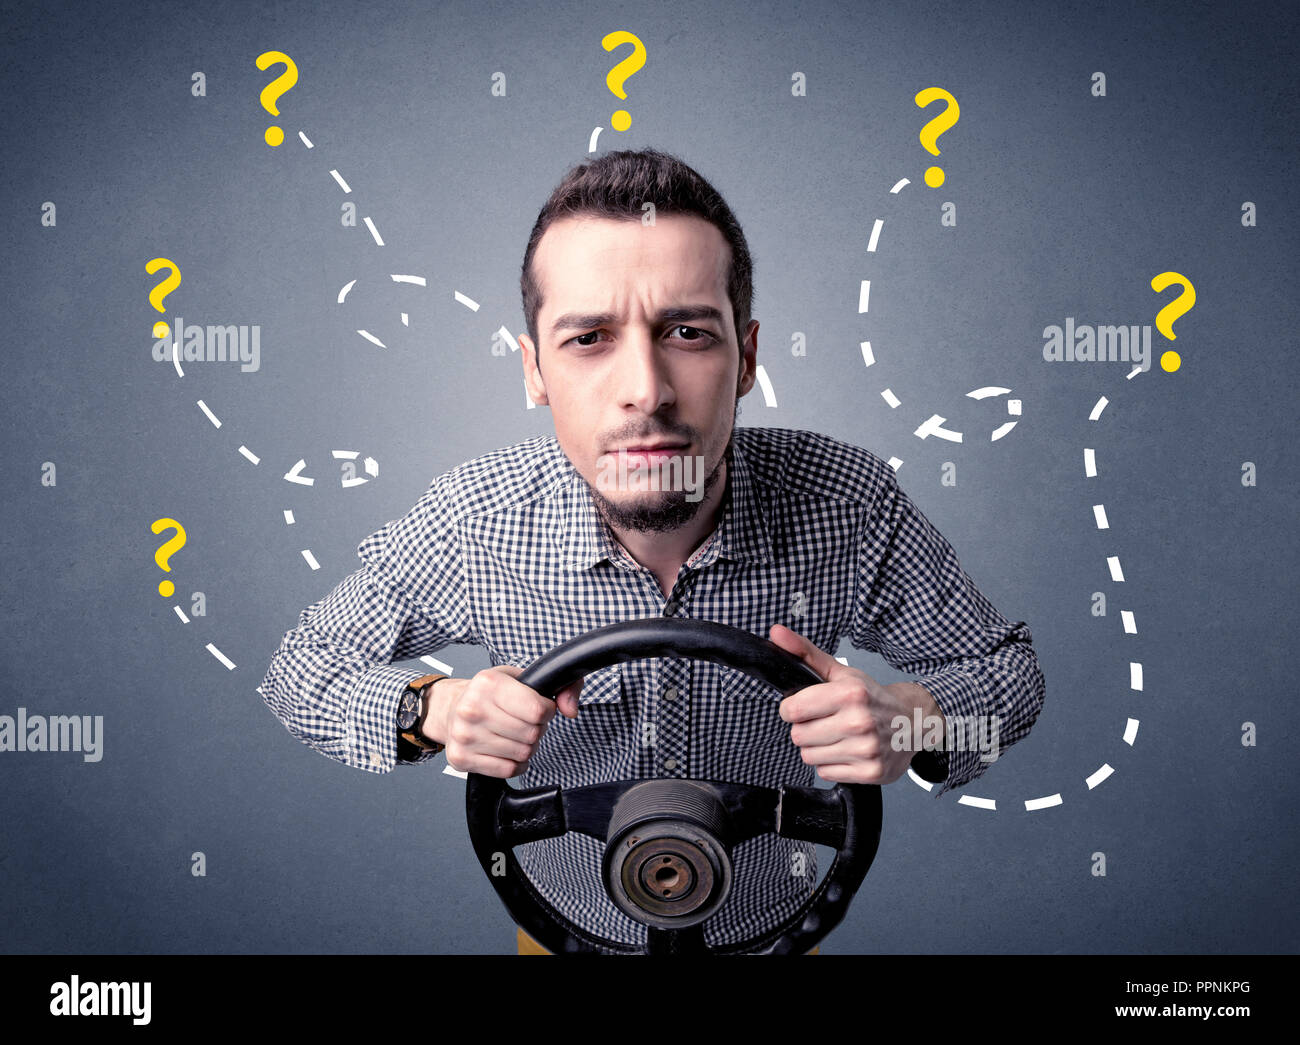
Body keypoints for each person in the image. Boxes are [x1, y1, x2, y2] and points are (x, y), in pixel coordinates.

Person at [259, 147, 1046, 953]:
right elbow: (299, 670)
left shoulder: (845, 501)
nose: (647, 387)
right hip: (563, 933)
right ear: (534, 370)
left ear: (746, 357)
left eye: (686, 331)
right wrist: (435, 709)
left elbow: (1012, 675)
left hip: (777, 931)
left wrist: (915, 720)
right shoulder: (474, 518)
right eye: (589, 337)